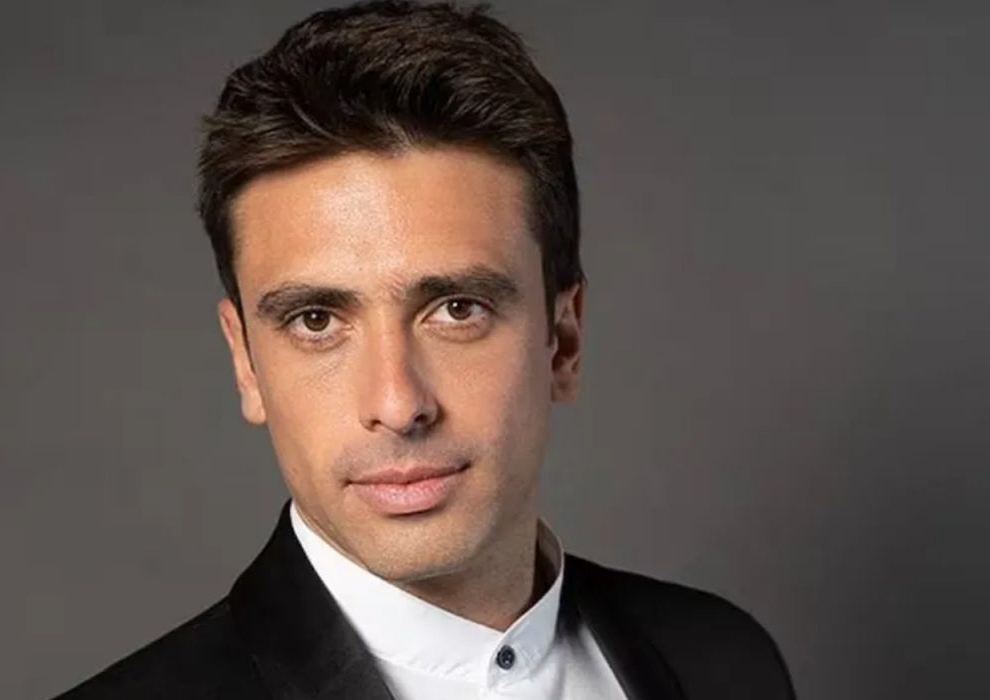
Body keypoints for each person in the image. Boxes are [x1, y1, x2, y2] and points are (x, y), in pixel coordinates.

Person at [56, 1, 796, 698]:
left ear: (562, 341)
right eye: (316, 320)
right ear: (246, 364)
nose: (397, 403)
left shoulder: (722, 660)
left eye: (456, 309)